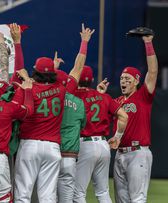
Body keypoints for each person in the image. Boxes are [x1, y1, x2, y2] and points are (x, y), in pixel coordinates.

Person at [13, 24, 94, 203]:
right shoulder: (60, 89)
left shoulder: (28, 88)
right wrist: (84, 43)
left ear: (35, 72)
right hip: (53, 148)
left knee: (23, 194)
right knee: (48, 196)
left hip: (30, 145)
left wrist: (26, 77)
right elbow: (77, 69)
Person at [98, 35, 158, 202]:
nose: (123, 81)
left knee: (137, 198)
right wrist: (100, 95)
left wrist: (148, 43)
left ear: (136, 81)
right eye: (122, 79)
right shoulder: (116, 101)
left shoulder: (143, 96)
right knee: (121, 199)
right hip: (120, 154)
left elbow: (153, 71)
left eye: (127, 79)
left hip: (138, 153)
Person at [73, 65, 128, 203]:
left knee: (78, 193)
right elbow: (124, 116)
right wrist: (117, 137)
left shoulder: (73, 96)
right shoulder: (104, 97)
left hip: (85, 144)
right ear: (91, 79)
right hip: (103, 145)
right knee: (103, 192)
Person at [55, 69, 86, 203]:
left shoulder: (52, 100)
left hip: (53, 153)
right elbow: (82, 125)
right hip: (70, 156)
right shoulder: (79, 103)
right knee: (67, 197)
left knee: (48, 195)